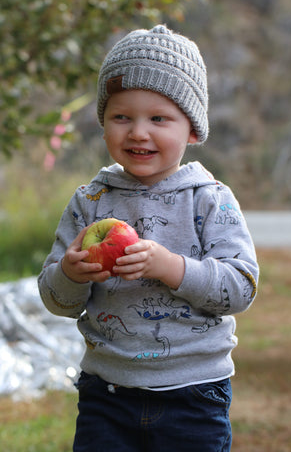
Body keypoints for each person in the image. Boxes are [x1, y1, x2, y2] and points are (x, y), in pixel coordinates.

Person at [38, 24, 259, 452]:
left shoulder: (210, 200)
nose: (138, 132)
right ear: (103, 124)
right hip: (108, 392)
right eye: (122, 117)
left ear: (192, 130)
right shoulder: (91, 201)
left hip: (194, 392)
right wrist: (70, 272)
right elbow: (56, 301)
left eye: (158, 118)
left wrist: (171, 268)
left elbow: (241, 287)